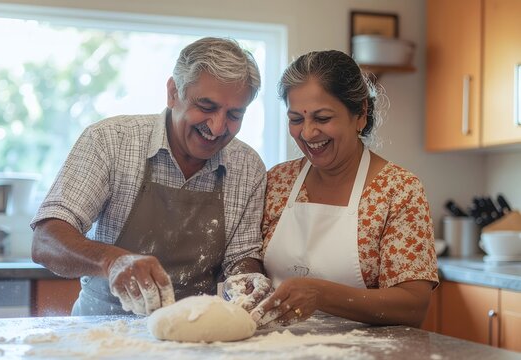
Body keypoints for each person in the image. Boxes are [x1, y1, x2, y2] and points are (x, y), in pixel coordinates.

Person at [30, 37, 271, 316]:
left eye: (234, 115)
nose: (218, 128)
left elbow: (242, 258)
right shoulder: (111, 141)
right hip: (101, 333)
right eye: (206, 107)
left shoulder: (248, 166)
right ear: (173, 93)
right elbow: (46, 240)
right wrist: (111, 261)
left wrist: (247, 282)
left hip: (198, 333)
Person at [250, 50, 438, 328]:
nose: (308, 133)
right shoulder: (278, 181)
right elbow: (248, 259)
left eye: (323, 118)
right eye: (296, 119)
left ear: (360, 113)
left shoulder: (397, 190)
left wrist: (321, 294)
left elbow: (413, 306)